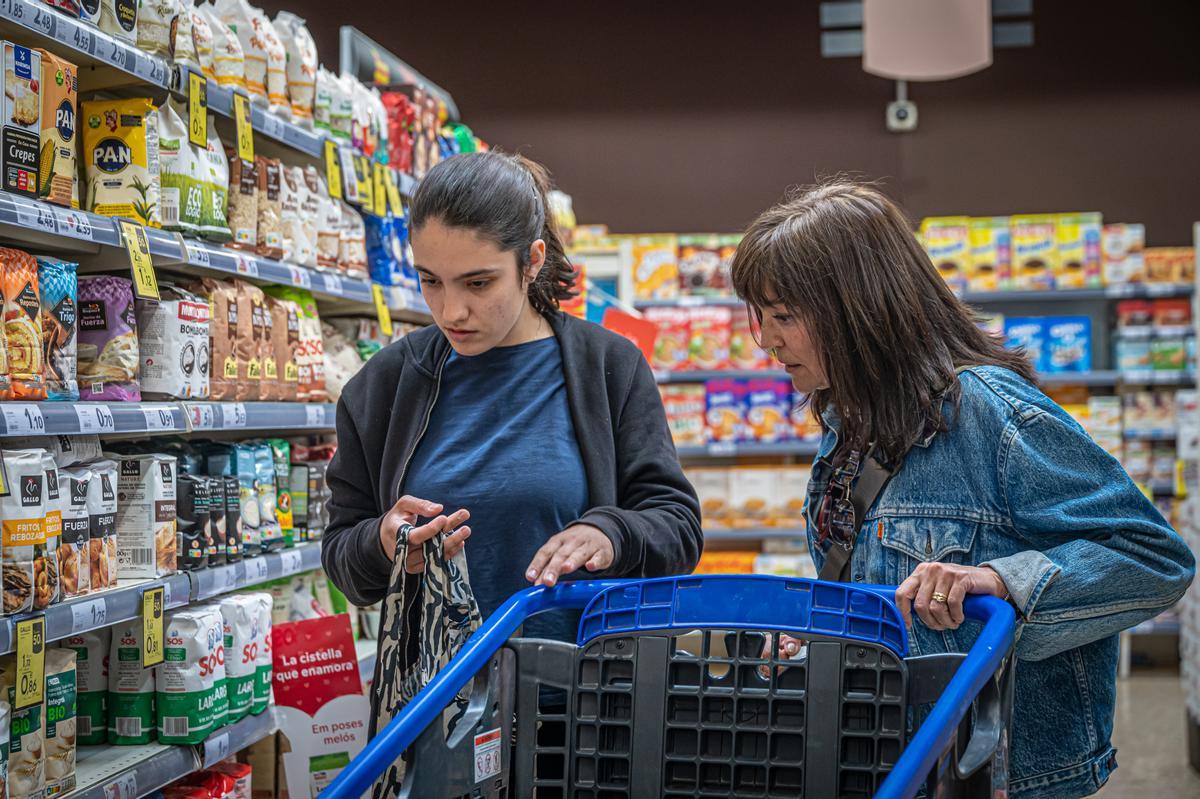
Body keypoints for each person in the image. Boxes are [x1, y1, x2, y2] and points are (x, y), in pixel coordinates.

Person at [731, 179, 1195, 799]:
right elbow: (878, 589)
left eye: (784, 317)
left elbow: (1153, 559)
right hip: (893, 761)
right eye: (761, 317)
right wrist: (817, 630)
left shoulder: (989, 413)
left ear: (859, 308)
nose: (766, 340)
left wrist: (1005, 581)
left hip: (997, 778)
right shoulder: (849, 423)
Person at [321, 150, 703, 778]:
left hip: (586, 719)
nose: (451, 312)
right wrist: (384, 544)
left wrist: (608, 531)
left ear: (531, 262)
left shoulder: (608, 368)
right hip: (434, 719)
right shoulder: (382, 388)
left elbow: (677, 526)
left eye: (478, 283)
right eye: (430, 280)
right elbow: (345, 555)